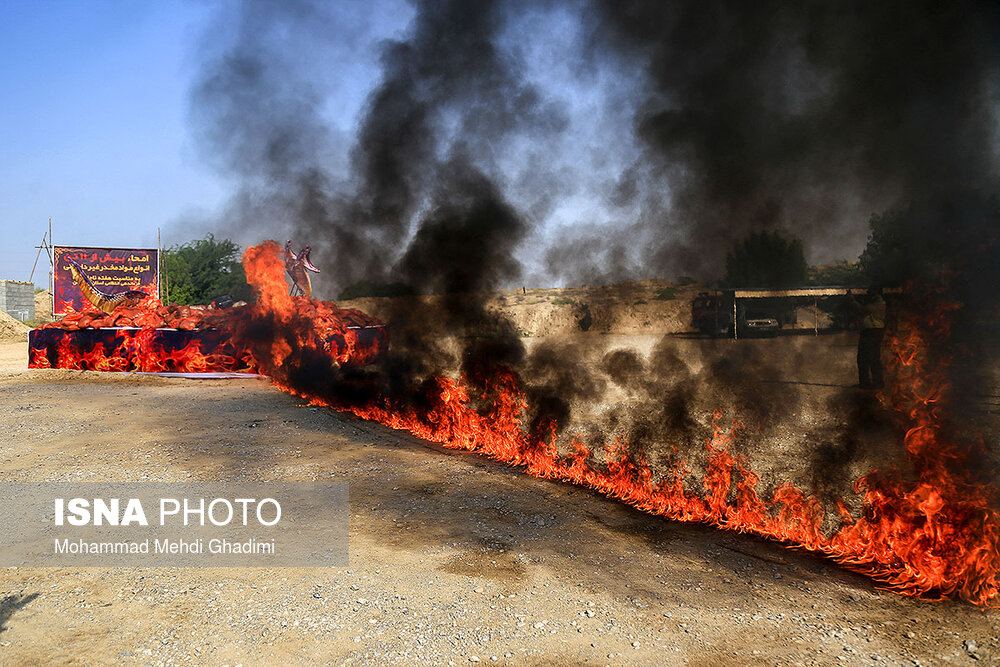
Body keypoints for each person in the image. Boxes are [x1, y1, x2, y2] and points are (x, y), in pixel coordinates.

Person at [849, 287, 886, 389]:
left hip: (872, 332)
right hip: (871, 331)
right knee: (865, 358)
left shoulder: (879, 302)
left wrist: (852, 300)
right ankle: (867, 382)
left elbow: (862, 309)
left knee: (871, 358)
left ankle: (876, 383)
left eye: (871, 291)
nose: (868, 292)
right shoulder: (875, 301)